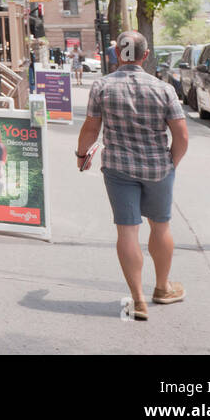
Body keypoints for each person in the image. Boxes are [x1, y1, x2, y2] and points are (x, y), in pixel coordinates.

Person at [76, 30, 189, 321]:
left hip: (118, 168)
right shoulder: (163, 89)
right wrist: (170, 164)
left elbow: (91, 127)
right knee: (160, 226)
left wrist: (81, 154)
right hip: (158, 168)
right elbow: (181, 135)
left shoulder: (102, 86)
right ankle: (162, 288)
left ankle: (138, 300)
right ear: (145, 55)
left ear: (116, 54)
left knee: (127, 230)